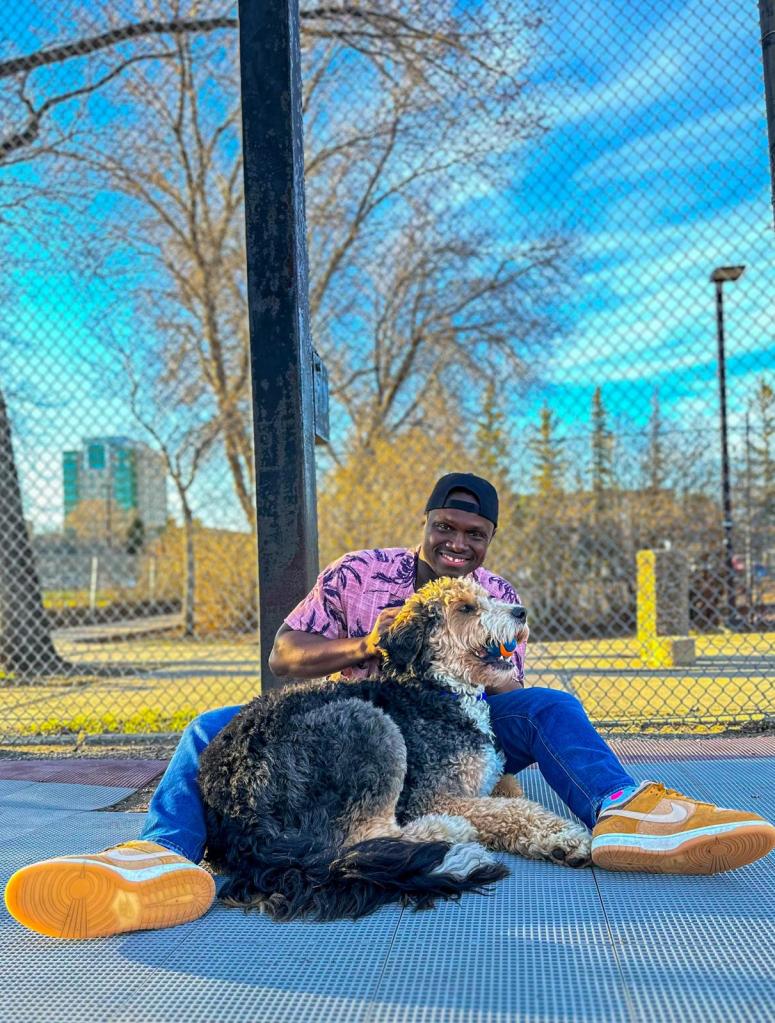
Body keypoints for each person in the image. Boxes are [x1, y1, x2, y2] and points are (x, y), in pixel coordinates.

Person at [5, 473, 774, 939]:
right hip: (353, 720)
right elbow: (284, 656)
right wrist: (367, 645)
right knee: (210, 727)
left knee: (549, 704)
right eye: (445, 527)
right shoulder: (358, 572)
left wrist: (487, 690)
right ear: (426, 525)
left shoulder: (494, 595)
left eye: (473, 533)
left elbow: (504, 678)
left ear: (487, 538)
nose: (457, 542)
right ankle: (160, 858)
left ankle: (627, 810)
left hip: (459, 713)